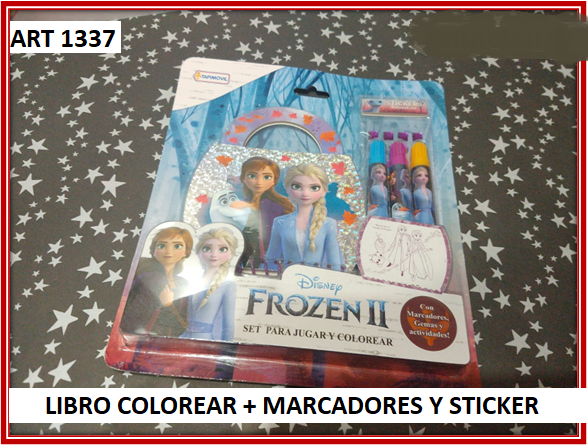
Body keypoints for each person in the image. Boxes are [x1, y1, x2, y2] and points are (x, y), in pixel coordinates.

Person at [266, 163, 343, 271]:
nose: (305, 193)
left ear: (323, 191)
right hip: (288, 278)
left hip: (317, 279)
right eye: (297, 187)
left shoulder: (328, 224)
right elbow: (272, 258)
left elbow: (334, 262)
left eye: (314, 188)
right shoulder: (280, 222)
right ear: (288, 189)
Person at [120, 226, 193, 337]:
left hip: (165, 342)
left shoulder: (182, 283)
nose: (168, 251)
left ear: (186, 252)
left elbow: (181, 327)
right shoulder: (150, 279)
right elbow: (130, 322)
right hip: (139, 341)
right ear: (154, 251)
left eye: (177, 246)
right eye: (162, 246)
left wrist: (168, 305)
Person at [231, 157, 294, 266]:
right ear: (243, 178)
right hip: (243, 258)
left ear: (274, 181)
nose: (259, 182)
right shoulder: (238, 206)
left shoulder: (280, 206)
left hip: (274, 260)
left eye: (267, 177)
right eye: (252, 176)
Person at [180, 227, 238, 341]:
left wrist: (227, 350)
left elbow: (228, 326)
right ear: (198, 252)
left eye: (222, 249)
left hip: (204, 342)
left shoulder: (228, 286)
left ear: (231, 254)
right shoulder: (189, 279)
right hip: (180, 339)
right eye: (207, 248)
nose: (214, 254)